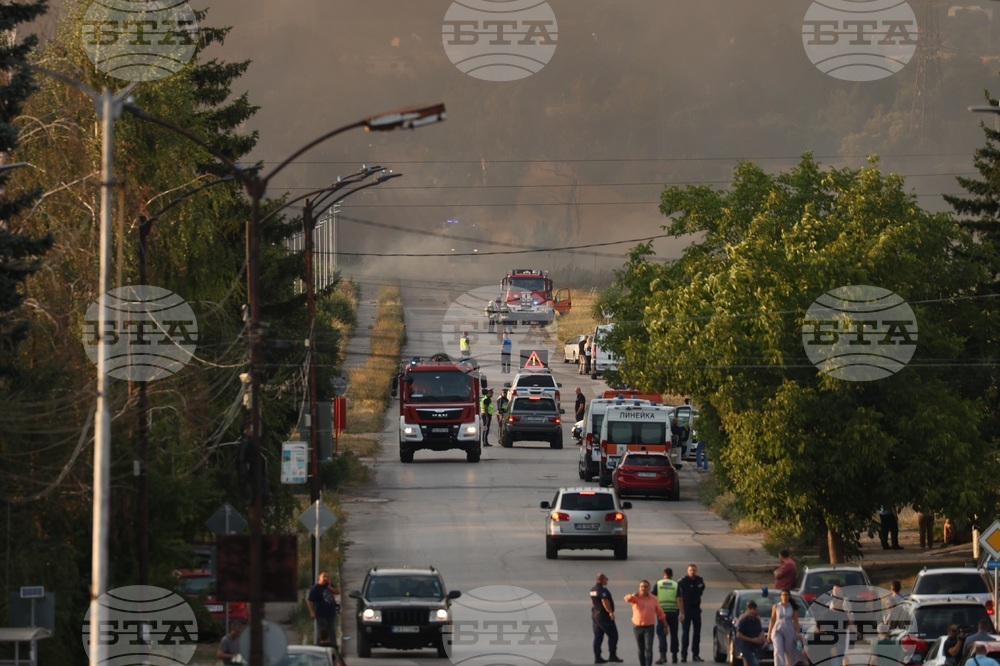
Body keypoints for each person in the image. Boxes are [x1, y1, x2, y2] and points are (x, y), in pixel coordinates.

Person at [625, 579, 667, 666]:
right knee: (641, 649)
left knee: (649, 648)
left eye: (645, 587)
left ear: (649, 588)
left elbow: (660, 613)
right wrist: (632, 595)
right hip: (637, 627)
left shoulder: (654, 599)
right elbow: (627, 599)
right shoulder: (635, 598)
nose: (643, 588)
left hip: (649, 627)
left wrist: (665, 625)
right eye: (641, 587)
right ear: (639, 588)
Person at [591, 572, 624, 664]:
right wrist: (610, 612)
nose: (607, 581)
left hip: (595, 615)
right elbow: (604, 601)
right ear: (601, 579)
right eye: (606, 579)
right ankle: (612, 655)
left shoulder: (592, 589)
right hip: (604, 616)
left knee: (598, 636)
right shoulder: (602, 590)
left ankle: (597, 657)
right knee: (613, 635)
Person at [653, 567, 683, 664]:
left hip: (662, 612)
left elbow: (652, 597)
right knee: (674, 634)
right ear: (672, 575)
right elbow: (679, 599)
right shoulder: (675, 584)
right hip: (674, 612)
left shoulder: (658, 584)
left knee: (662, 634)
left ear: (664, 574)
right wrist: (682, 613)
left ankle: (663, 656)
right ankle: (674, 656)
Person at [678, 564, 705, 662]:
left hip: (696, 610)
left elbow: (701, 590)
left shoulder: (699, 580)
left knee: (697, 633)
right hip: (686, 610)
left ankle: (696, 655)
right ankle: (683, 655)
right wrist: (681, 612)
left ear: (696, 571)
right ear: (687, 571)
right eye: (690, 570)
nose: (692, 572)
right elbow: (678, 594)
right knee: (685, 633)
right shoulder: (683, 581)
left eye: (694, 570)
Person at [767, 590, 803, 666]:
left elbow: (796, 621)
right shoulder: (776, 606)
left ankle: (789, 664)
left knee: (789, 650)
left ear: (789, 596)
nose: (784, 596)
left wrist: (798, 634)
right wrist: (769, 633)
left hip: (789, 629)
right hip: (777, 629)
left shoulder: (792, 607)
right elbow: (773, 620)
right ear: (780, 596)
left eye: (786, 595)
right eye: (783, 595)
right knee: (778, 650)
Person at [307, 571, 340, 642]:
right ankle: (320, 647)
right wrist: (312, 612)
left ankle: (333, 647)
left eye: (327, 577)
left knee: (332, 632)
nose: (325, 579)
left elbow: (337, 591)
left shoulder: (329, 586)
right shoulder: (315, 588)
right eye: (324, 577)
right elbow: (309, 601)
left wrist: (330, 587)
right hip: (321, 615)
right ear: (319, 578)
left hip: (331, 613)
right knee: (322, 632)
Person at [735, 600, 766, 666]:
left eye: (754, 609)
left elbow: (760, 631)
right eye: (750, 608)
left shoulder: (757, 619)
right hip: (746, 646)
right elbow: (738, 634)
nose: (752, 611)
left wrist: (764, 640)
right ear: (747, 609)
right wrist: (752, 640)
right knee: (753, 663)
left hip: (755, 647)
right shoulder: (743, 619)